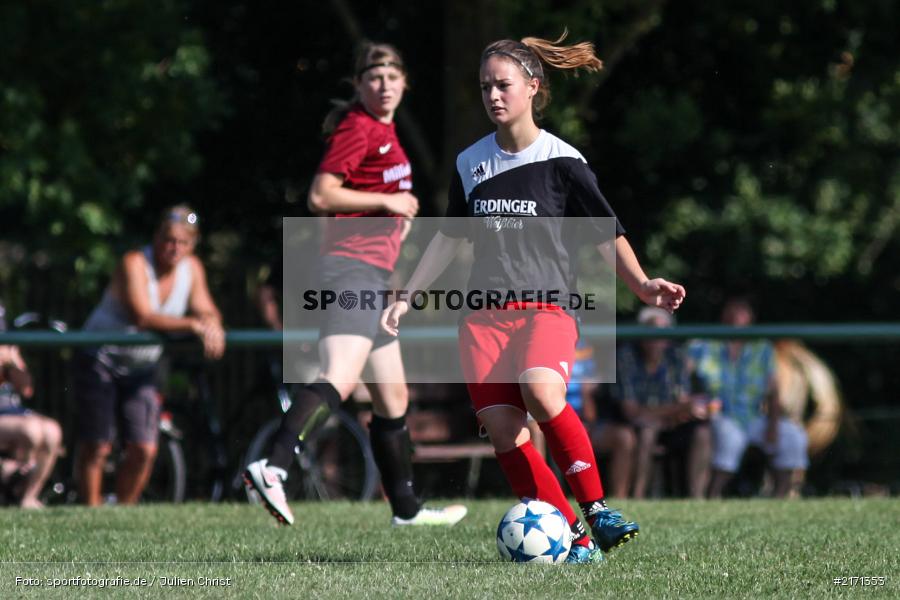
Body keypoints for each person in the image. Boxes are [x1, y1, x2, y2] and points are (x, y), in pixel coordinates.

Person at [381, 32, 685, 563]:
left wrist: (642, 284)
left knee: (542, 394)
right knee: (504, 432)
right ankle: (574, 537)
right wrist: (407, 295)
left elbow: (605, 231)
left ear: (532, 87)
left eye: (503, 85)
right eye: (485, 87)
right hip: (482, 318)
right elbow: (450, 237)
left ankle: (597, 510)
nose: (493, 96)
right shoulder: (469, 163)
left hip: (546, 307)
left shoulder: (563, 160)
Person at [243, 42, 466, 527]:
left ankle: (405, 511)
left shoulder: (388, 133)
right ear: (359, 85)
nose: (384, 85)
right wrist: (388, 205)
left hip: (373, 274)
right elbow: (320, 195)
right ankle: (273, 465)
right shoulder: (357, 128)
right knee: (339, 375)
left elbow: (372, 200)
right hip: (350, 271)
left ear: (405, 82)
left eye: (392, 76)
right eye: (374, 77)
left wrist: (396, 218)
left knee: (393, 397)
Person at [74, 205, 225, 506]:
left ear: (193, 245)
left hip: (142, 366)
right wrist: (194, 324)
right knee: (99, 444)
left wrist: (212, 325)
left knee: (144, 448)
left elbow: (206, 308)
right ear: (157, 237)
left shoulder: (192, 269)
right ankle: (89, 512)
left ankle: (123, 511)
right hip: (99, 358)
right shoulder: (134, 263)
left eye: (183, 242)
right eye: (169, 240)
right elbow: (143, 316)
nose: (174, 248)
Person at [689, 297, 808, 498]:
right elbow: (682, 378)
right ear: (723, 316)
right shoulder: (703, 345)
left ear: (751, 318)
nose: (737, 317)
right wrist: (691, 402)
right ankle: (713, 494)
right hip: (718, 414)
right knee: (730, 436)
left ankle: (782, 496)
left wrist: (773, 424)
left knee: (793, 435)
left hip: (753, 416)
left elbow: (773, 392)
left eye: (742, 312)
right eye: (732, 311)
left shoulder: (762, 349)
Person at [594, 307, 712, 499]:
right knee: (647, 430)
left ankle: (698, 497)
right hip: (630, 424)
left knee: (703, 432)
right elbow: (631, 412)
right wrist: (678, 408)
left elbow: (682, 399)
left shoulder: (676, 356)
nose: (658, 340)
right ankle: (638, 495)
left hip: (671, 422)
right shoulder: (625, 357)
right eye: (652, 332)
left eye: (663, 333)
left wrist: (692, 408)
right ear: (642, 334)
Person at [0, 305, 63, 508]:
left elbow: (26, 389)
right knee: (32, 431)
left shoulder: (7, 346)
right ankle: (12, 477)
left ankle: (28, 496)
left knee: (52, 431)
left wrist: (11, 362)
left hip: (12, 411)